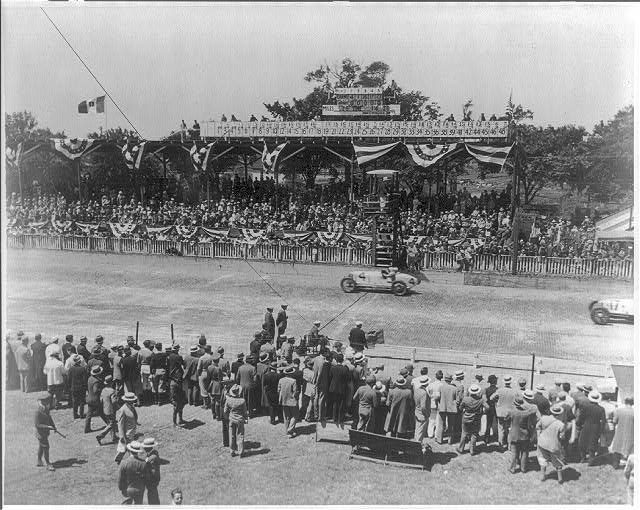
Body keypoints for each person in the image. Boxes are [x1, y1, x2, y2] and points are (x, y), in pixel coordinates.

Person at [506, 396, 537, 474]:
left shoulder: (511, 411)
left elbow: (506, 419)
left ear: (515, 403)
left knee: (514, 453)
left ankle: (512, 468)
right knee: (524, 452)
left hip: (514, 435)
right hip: (524, 435)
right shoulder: (526, 413)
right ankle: (523, 468)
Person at [537, 405, 568, 483]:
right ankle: (560, 478)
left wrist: (539, 435)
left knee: (543, 458)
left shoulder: (543, 418)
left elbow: (537, 427)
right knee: (557, 460)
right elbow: (562, 437)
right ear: (559, 413)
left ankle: (542, 476)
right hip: (553, 445)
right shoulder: (560, 424)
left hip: (542, 442)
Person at [577, 390, 607, 465]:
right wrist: (601, 430)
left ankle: (583, 458)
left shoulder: (586, 407)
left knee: (583, 441)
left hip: (586, 426)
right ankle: (591, 459)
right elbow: (603, 421)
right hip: (596, 427)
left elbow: (581, 417)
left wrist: (579, 424)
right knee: (593, 443)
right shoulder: (601, 409)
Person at [458, 383, 488, 455]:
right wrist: (481, 411)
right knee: (474, 434)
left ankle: (461, 448)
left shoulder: (465, 399)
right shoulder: (480, 400)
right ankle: (472, 450)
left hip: (466, 418)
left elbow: (460, 408)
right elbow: (488, 407)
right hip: (476, 419)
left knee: (464, 433)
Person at [491, 375, 517, 450]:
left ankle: (501, 445)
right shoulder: (514, 391)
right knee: (509, 429)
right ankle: (509, 446)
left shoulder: (499, 390)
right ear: (510, 382)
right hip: (510, 412)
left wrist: (497, 401)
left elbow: (491, 398)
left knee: (501, 429)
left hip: (500, 412)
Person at [224, 384, 248, 457]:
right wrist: (246, 418)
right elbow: (245, 411)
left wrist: (228, 416)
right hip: (240, 420)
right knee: (240, 435)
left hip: (232, 419)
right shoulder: (242, 401)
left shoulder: (228, 400)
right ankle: (241, 451)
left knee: (232, 435)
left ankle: (232, 451)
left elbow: (225, 411)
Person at [35, 394, 57, 471]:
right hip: (40, 434)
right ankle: (48, 464)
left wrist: (54, 426)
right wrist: (47, 427)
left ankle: (39, 461)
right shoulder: (38, 412)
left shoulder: (46, 410)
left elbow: (49, 418)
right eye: (45, 402)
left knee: (42, 446)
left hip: (45, 433)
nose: (47, 404)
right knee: (46, 447)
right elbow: (37, 425)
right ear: (41, 402)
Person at [116, 392, 140, 464]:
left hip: (132, 431)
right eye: (131, 400)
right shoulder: (122, 409)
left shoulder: (132, 407)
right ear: (127, 400)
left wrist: (136, 422)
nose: (133, 401)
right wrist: (122, 436)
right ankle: (134, 462)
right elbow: (120, 424)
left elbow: (134, 416)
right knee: (129, 447)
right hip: (126, 433)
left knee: (125, 447)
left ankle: (118, 459)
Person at [611, 397, 634, 469]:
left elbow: (614, 421)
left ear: (625, 402)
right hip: (630, 432)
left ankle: (615, 464)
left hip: (620, 431)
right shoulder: (635, 412)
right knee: (629, 448)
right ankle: (628, 465)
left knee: (617, 447)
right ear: (632, 402)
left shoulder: (619, 410)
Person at [328, 353, 350, 426]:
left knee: (335, 403)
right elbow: (348, 379)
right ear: (342, 360)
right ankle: (340, 418)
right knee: (341, 404)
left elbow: (330, 377)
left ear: (336, 360)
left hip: (333, 388)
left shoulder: (332, 368)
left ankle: (334, 417)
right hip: (342, 388)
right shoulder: (345, 369)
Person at [435, 373, 458, 444]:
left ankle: (439, 439)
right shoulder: (455, 388)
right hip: (451, 408)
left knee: (441, 424)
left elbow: (437, 397)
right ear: (451, 380)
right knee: (451, 425)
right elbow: (457, 400)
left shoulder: (440, 387)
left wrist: (439, 403)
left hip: (442, 407)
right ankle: (450, 440)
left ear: (445, 380)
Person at [97, 375, 118, 445]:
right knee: (111, 424)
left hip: (105, 409)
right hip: (111, 410)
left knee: (111, 423)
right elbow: (114, 402)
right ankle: (100, 435)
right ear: (111, 383)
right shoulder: (112, 391)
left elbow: (101, 400)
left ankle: (113, 437)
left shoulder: (103, 390)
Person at [278, 365, 299, 438]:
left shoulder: (281, 380)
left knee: (286, 417)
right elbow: (295, 392)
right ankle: (290, 430)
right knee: (295, 416)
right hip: (292, 400)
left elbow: (279, 390)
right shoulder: (293, 381)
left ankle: (287, 431)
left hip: (284, 400)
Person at [85, 366, 107, 433]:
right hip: (95, 399)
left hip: (89, 398)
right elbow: (95, 390)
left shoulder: (90, 378)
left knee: (89, 414)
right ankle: (110, 424)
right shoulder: (96, 381)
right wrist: (102, 388)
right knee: (101, 412)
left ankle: (87, 428)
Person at [413, 373, 431, 452]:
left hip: (417, 412)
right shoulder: (424, 393)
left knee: (417, 431)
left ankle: (416, 446)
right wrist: (427, 414)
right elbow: (423, 407)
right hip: (422, 415)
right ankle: (417, 449)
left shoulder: (416, 390)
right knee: (420, 433)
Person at [312, 348, 331, 425]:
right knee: (321, 399)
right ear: (324, 353)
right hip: (322, 382)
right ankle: (320, 416)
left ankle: (315, 414)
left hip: (315, 380)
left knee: (316, 398)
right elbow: (320, 373)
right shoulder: (323, 362)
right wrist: (317, 382)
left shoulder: (316, 358)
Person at [168, 355, 187, 428]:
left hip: (180, 393)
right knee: (175, 409)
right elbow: (172, 392)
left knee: (181, 407)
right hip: (176, 395)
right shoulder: (173, 379)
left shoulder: (179, 371)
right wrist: (172, 399)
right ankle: (174, 423)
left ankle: (181, 419)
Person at [68, 354, 87, 419]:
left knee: (75, 401)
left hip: (74, 387)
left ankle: (75, 414)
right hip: (81, 387)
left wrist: (70, 386)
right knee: (82, 401)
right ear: (79, 362)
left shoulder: (71, 369)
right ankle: (81, 414)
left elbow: (69, 379)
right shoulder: (82, 369)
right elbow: (84, 380)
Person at [142, 437, 161, 504]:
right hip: (154, 479)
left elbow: (151, 469)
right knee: (153, 495)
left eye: (144, 447)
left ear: (148, 448)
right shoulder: (154, 452)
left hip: (152, 480)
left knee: (152, 496)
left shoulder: (152, 457)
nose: (143, 448)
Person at [197, 345, 214, 409]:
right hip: (209, 373)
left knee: (203, 389)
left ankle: (205, 404)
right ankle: (210, 403)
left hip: (203, 373)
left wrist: (199, 375)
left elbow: (198, 368)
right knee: (208, 389)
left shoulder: (201, 358)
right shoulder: (211, 357)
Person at [137, 340, 154, 406]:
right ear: (149, 344)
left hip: (142, 366)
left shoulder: (140, 351)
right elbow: (152, 362)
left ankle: (144, 398)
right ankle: (149, 398)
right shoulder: (150, 352)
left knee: (143, 382)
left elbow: (138, 361)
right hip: (148, 366)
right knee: (149, 383)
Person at [483, 374, 499, 445]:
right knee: (498, 423)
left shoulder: (486, 390)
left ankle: (487, 438)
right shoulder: (498, 390)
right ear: (495, 382)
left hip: (489, 408)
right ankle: (498, 437)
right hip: (496, 408)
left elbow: (485, 400)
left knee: (488, 424)